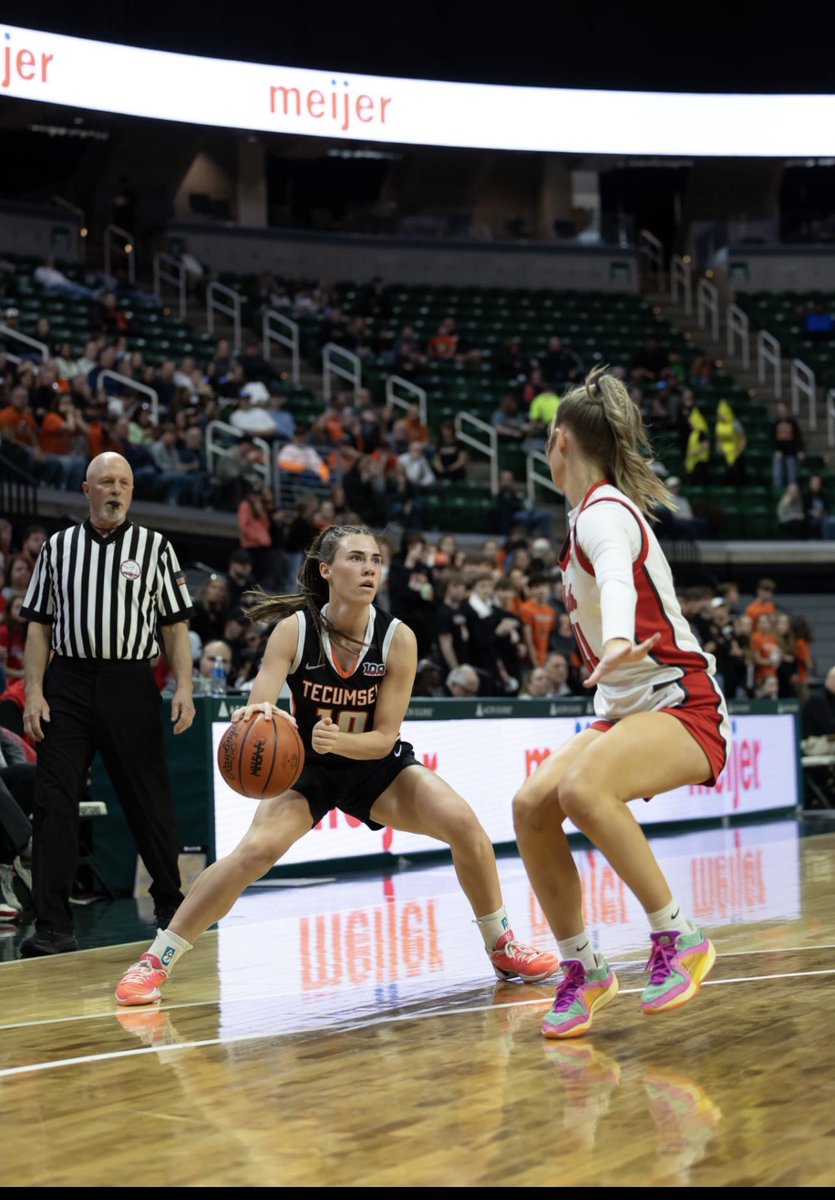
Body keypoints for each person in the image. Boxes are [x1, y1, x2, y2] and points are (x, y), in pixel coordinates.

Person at [113, 525, 558, 1004]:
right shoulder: (295, 629)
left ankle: (502, 946)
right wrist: (260, 714)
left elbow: (387, 737)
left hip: (374, 764)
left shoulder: (397, 638)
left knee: (464, 824)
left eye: (375, 560)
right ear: (327, 570)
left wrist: (342, 741)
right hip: (308, 769)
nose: (369, 568)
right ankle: (154, 961)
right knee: (253, 854)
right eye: (356, 558)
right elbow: (261, 701)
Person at [512, 367, 731, 1040]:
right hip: (627, 709)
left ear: (558, 443)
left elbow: (613, 573)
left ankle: (678, 936)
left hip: (682, 704)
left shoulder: (603, 513)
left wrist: (612, 640)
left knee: (583, 790)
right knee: (531, 806)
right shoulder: (587, 513)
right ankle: (585, 968)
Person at [19, 451, 196, 955]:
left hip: (130, 682)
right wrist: (33, 692)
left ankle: (171, 910)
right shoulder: (57, 548)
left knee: (150, 800)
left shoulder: (156, 547)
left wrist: (183, 685)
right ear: (86, 490)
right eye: (106, 482)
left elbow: (174, 624)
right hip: (68, 682)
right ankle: (54, 926)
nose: (116, 490)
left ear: (132, 492)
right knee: (54, 801)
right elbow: (38, 624)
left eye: (124, 482)